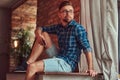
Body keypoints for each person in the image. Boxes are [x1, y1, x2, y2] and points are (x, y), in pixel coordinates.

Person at [25, 1, 97, 80]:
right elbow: (40, 28)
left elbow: (87, 48)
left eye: (70, 11)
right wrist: (38, 35)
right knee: (44, 34)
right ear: (59, 14)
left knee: (32, 67)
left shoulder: (77, 28)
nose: (68, 13)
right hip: (59, 56)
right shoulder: (59, 27)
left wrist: (91, 68)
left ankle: (30, 66)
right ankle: (28, 62)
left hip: (67, 63)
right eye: (65, 11)